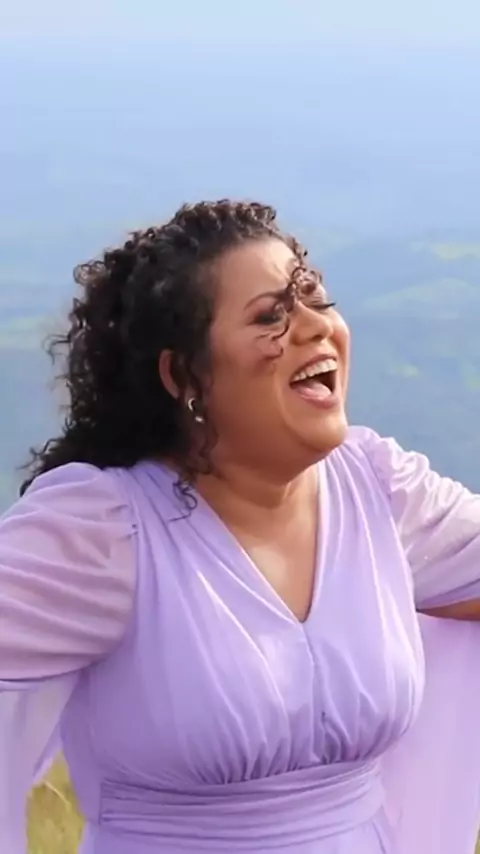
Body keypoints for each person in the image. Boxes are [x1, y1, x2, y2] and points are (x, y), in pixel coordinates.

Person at [1, 199, 480, 854]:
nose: (317, 327)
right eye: (270, 317)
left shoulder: (376, 486)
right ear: (184, 375)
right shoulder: (104, 529)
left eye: (317, 300)